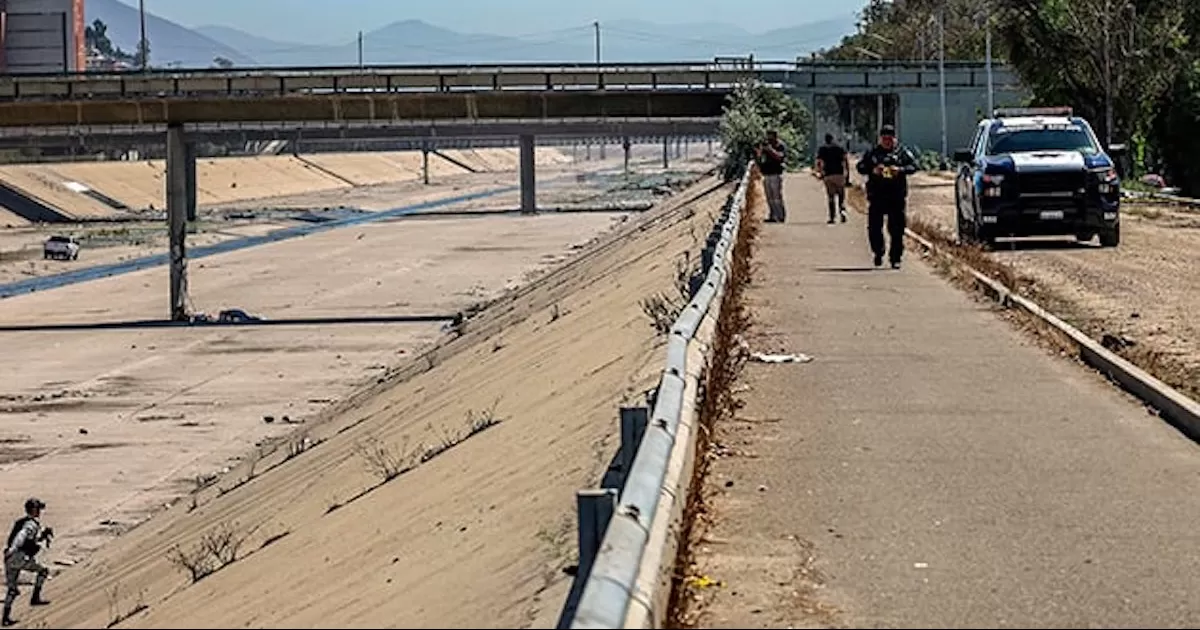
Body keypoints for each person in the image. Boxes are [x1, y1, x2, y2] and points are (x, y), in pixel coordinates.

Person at [856, 124, 918, 269]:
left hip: (896, 197)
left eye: (890, 139)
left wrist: (900, 170)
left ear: (894, 139)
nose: (887, 142)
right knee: (874, 228)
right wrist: (873, 170)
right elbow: (860, 167)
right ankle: (878, 252)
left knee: (897, 229)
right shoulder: (872, 153)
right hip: (877, 196)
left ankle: (895, 258)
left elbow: (914, 166)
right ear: (880, 139)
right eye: (884, 139)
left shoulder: (902, 152)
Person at [4, 498, 52, 627]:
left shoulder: (22, 522)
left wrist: (43, 536)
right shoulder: (30, 524)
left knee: (12, 589)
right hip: (19, 556)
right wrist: (13, 548)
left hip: (9, 559)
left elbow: (30, 539)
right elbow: (22, 536)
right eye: (38, 509)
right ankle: (35, 598)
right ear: (34, 510)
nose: (40, 512)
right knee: (43, 571)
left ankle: (5, 618)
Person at [815, 133, 850, 224]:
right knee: (841, 195)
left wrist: (819, 173)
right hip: (839, 174)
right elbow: (845, 161)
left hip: (828, 175)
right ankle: (842, 212)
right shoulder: (840, 148)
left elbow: (819, 162)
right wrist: (847, 175)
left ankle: (832, 217)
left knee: (831, 197)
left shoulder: (822, 149)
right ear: (832, 139)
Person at [755, 130, 788, 223]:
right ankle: (772, 215)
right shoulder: (766, 147)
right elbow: (760, 159)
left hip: (776, 173)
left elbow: (780, 157)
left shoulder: (780, 146)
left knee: (777, 196)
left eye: (770, 137)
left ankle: (780, 216)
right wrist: (760, 152)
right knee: (769, 197)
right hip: (767, 173)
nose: (769, 139)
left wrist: (771, 150)